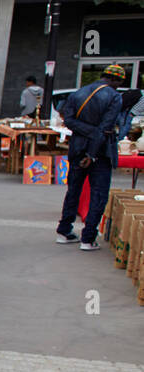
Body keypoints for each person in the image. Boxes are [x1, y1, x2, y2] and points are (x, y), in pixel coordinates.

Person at [55, 64, 127, 250]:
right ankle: (88, 238)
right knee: (98, 194)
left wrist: (86, 133)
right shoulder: (114, 97)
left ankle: (64, 231)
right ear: (116, 80)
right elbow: (105, 128)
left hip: (77, 147)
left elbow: (68, 120)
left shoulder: (78, 93)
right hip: (100, 152)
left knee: (73, 191)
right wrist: (92, 153)